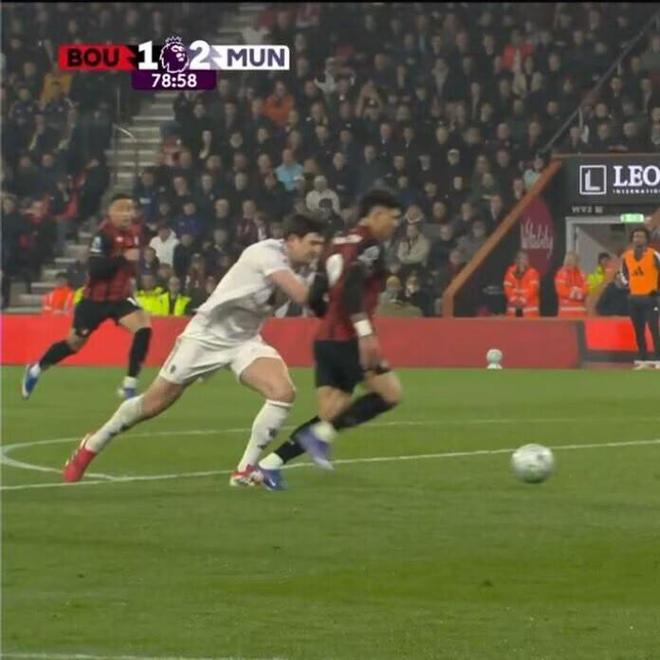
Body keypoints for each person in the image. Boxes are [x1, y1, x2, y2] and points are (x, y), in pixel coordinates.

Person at [61, 214, 326, 485]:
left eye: (320, 244)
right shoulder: (266, 253)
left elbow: (303, 302)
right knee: (152, 404)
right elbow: (303, 296)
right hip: (206, 336)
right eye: (313, 243)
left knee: (283, 392)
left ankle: (244, 470)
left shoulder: (301, 268)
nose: (317, 249)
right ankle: (93, 444)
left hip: (244, 340)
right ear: (292, 240)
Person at [253, 190, 404, 491]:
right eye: (393, 217)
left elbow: (314, 297)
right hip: (350, 340)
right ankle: (319, 437)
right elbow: (351, 287)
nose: (395, 224)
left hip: (325, 340)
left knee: (330, 414)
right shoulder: (370, 246)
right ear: (376, 214)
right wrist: (363, 332)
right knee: (390, 394)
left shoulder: (334, 245)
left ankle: (269, 465)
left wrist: (330, 319)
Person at [22, 195, 152, 401]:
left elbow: (129, 267)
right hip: (94, 301)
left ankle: (129, 385)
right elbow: (95, 269)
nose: (128, 214)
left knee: (144, 328)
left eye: (130, 209)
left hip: (120, 298)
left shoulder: (134, 234)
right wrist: (122, 258)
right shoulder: (103, 235)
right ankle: (36, 369)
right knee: (74, 344)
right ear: (110, 212)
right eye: (122, 209)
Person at [620, 227, 660, 366]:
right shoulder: (627, 256)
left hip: (650, 298)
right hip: (634, 298)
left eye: (641, 236)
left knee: (654, 328)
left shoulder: (654, 255)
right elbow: (623, 273)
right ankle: (642, 357)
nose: (638, 239)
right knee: (638, 329)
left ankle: (658, 357)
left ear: (646, 239)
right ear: (632, 239)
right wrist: (628, 285)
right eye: (636, 236)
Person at [503, 251, 540, 318]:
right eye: (520, 258)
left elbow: (533, 289)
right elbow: (507, 288)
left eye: (524, 259)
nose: (522, 261)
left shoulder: (532, 272)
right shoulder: (510, 272)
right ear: (516, 260)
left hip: (529, 311)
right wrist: (514, 300)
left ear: (528, 261)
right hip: (513, 310)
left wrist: (522, 300)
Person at [554, 252, 588, 317]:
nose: (569, 262)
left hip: (580, 313)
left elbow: (586, 289)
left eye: (572, 260)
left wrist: (576, 293)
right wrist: (576, 293)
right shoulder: (561, 273)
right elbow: (561, 290)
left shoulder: (582, 274)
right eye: (568, 260)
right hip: (565, 313)